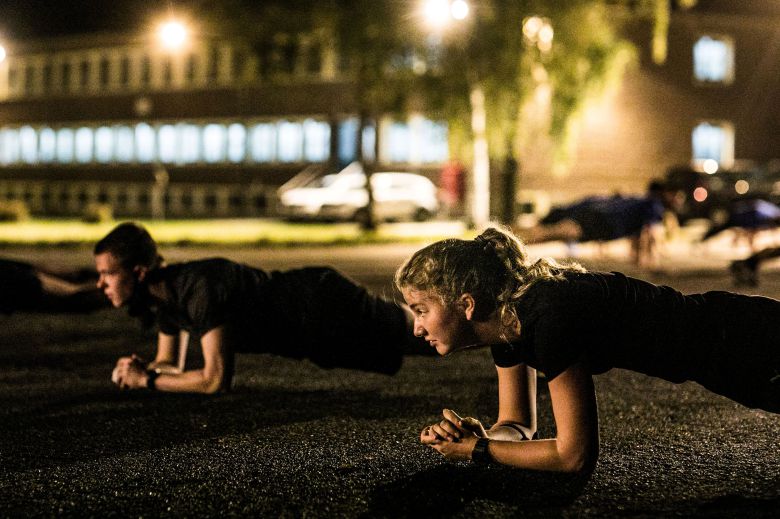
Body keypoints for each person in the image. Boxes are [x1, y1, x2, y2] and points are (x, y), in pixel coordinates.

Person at [395, 226, 779, 472]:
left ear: (466, 304)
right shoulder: (506, 322)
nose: (416, 327)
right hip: (733, 359)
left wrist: (478, 451)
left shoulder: (548, 317)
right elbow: (517, 427)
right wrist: (484, 439)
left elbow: (573, 456)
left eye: (421, 310)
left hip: (755, 342)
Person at [96, 222, 429, 394]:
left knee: (423, 333)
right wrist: (143, 370)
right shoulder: (166, 298)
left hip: (321, 304)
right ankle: (472, 333)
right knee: (420, 345)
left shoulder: (198, 288)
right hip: (309, 338)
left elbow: (214, 382)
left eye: (108, 274)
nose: (101, 284)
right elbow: (168, 364)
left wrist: (147, 382)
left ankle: (475, 325)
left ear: (138, 272)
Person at [514, 181, 680, 269]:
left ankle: (511, 237)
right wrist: (649, 263)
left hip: (597, 216)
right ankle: (513, 243)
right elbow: (648, 234)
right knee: (553, 234)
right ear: (666, 193)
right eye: (676, 196)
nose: (678, 201)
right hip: (599, 221)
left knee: (551, 232)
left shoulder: (642, 201)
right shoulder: (654, 205)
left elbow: (638, 236)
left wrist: (638, 258)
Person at [0, 258, 108, 315]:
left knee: (74, 296)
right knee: (73, 280)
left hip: (10, 276)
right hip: (9, 269)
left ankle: (120, 286)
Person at [701, 198, 780, 251]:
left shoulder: (769, 213)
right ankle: (703, 239)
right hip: (739, 218)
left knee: (721, 228)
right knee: (721, 228)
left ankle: (704, 239)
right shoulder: (767, 214)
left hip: (740, 217)